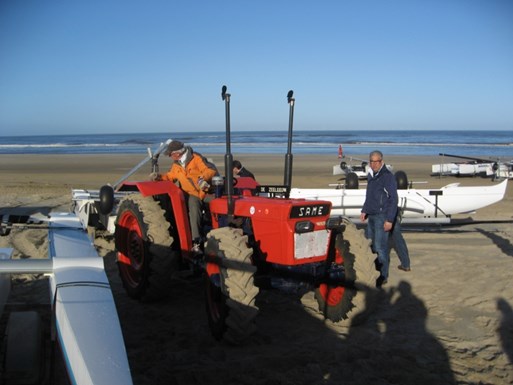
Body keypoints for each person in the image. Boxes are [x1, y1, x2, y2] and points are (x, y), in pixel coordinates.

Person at [151, 140, 218, 244]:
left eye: (170, 154)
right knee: (190, 203)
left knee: (213, 202)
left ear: (177, 153)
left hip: (202, 192)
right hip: (188, 194)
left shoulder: (196, 158)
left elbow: (210, 170)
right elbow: (169, 177)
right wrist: (158, 177)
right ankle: (195, 239)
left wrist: (201, 179)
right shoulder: (176, 165)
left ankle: (199, 237)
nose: (170, 156)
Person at [359, 150, 398, 287]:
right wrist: (364, 210)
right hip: (372, 215)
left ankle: (383, 276)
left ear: (381, 161)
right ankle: (374, 272)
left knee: (381, 248)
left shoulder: (387, 176)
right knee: (371, 247)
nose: (374, 164)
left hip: (383, 216)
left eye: (377, 161)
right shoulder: (371, 175)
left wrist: (390, 220)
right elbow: (369, 195)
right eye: (372, 161)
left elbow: (394, 199)